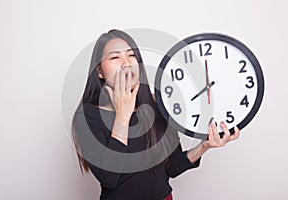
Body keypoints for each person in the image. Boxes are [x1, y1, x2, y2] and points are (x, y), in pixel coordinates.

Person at [72, 29, 240, 200]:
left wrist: (204, 146)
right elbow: (109, 179)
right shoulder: (87, 115)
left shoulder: (158, 104)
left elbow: (172, 167)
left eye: (131, 56)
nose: (126, 63)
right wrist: (123, 116)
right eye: (115, 57)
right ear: (99, 71)